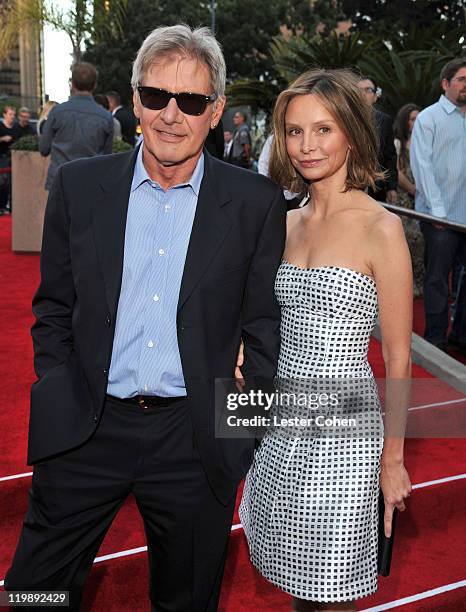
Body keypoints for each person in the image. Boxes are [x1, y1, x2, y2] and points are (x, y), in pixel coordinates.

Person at [5, 24, 286, 612]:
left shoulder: (255, 203)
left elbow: (264, 328)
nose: (171, 115)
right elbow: (53, 308)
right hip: (85, 426)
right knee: (36, 592)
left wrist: (236, 435)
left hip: (192, 440)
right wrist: (59, 389)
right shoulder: (80, 187)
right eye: (157, 96)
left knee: (186, 602)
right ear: (134, 100)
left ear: (216, 111)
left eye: (191, 101)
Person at [239, 69, 412, 611]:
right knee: (296, 585)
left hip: (346, 438)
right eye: (294, 131)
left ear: (353, 134)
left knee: (331, 588)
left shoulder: (380, 228)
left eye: (323, 129)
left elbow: (401, 359)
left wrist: (394, 460)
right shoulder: (286, 223)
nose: (307, 145)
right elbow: (263, 320)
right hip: (282, 424)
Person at [411, 57, 466, 351]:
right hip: (439, 219)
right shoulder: (429, 118)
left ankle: (461, 334)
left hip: (465, 215)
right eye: (461, 79)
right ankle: (435, 338)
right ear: (446, 84)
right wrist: (439, 214)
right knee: (437, 280)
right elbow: (422, 167)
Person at [39, 62, 114, 190]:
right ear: (94, 85)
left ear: (72, 83)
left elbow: (44, 148)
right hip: (90, 184)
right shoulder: (106, 117)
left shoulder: (57, 112)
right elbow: (106, 157)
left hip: (59, 182)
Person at [393, 103, 424, 297]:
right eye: (412, 119)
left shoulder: (424, 141)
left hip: (422, 199)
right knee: (406, 240)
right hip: (403, 200)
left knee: (420, 242)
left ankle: (418, 284)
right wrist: (413, 189)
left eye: (418, 118)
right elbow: (396, 172)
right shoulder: (397, 144)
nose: (415, 122)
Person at [357, 76, 398, 204]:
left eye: (368, 90)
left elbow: (390, 156)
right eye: (358, 90)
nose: (363, 94)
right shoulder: (344, 119)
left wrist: (392, 187)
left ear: (375, 96)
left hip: (376, 186)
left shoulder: (384, 120)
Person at [0, 106, 18, 215]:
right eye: (10, 114)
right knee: (3, 183)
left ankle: (9, 206)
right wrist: (2, 139)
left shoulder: (15, 128)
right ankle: (2, 206)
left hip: (13, 159)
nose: (12, 117)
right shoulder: (0, 127)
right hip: (2, 159)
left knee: (10, 184)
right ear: (4, 115)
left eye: (13, 115)